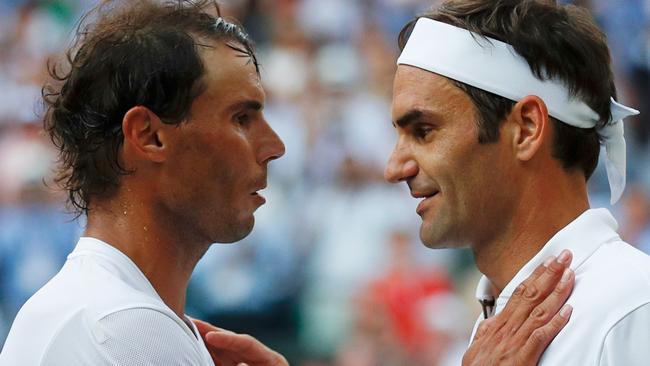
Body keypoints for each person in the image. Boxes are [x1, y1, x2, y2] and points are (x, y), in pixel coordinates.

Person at [0, 1, 573, 365]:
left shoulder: (99, 313)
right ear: (149, 137)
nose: (275, 146)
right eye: (242, 118)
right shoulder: (120, 328)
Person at [385, 0, 650, 365]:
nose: (394, 167)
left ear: (526, 128)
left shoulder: (632, 310)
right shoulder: (491, 330)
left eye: (424, 131)